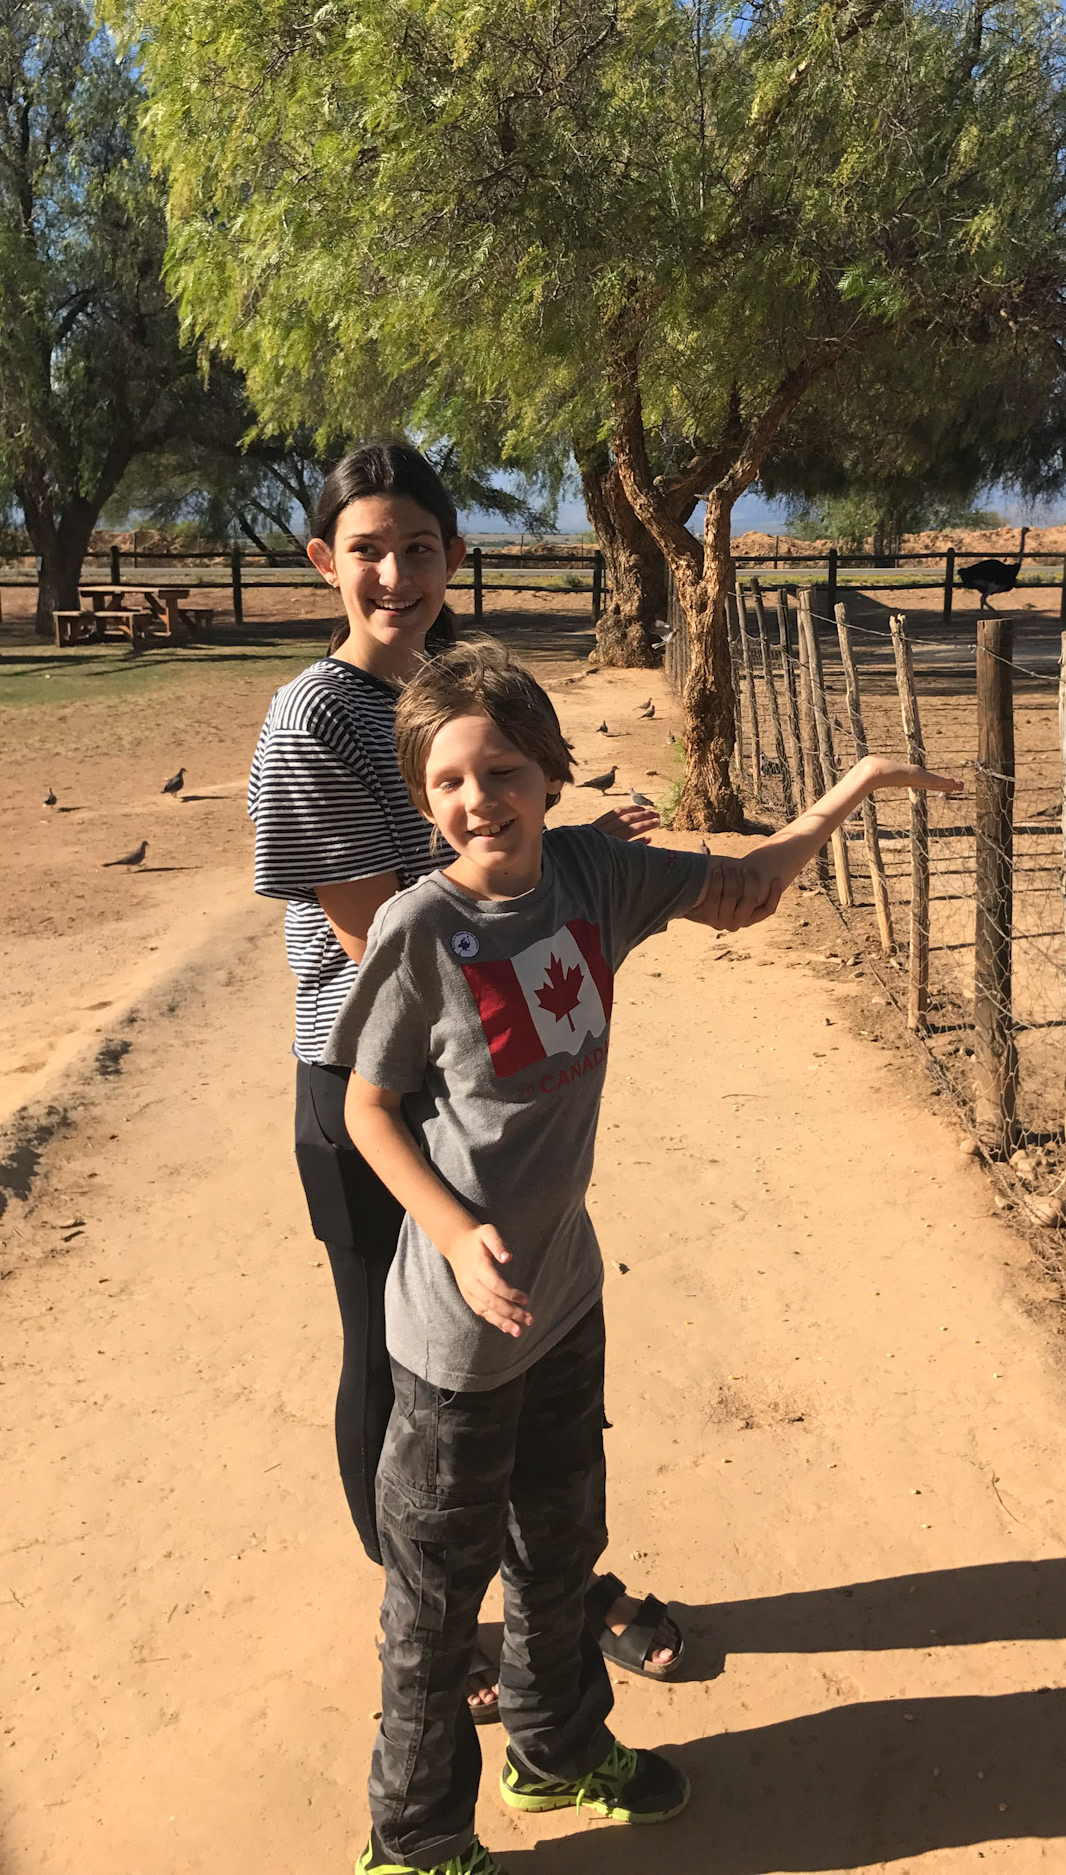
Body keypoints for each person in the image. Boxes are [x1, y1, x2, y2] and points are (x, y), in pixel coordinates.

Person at [329, 639, 961, 1874]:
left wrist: (853, 787)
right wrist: (452, 1234)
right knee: (438, 1596)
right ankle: (413, 1837)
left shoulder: (590, 875)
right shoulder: (421, 927)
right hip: (460, 1337)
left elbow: (747, 887)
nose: (479, 799)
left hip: (566, 1294)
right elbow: (368, 1107)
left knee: (561, 1548)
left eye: (502, 770)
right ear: (422, 797)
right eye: (449, 781)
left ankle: (556, 1750)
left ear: (547, 772)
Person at [247, 443, 681, 1715]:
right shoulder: (313, 720)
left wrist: (574, 850)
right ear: (325, 562)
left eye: (420, 547)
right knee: (403, 1365)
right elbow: (386, 940)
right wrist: (559, 904)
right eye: (368, 550)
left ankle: (554, 1591)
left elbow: (497, 851)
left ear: (454, 555)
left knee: (527, 1350)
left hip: (481, 1088)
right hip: (378, 1091)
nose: (396, 574)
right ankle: (440, 1612)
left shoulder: (450, 682)